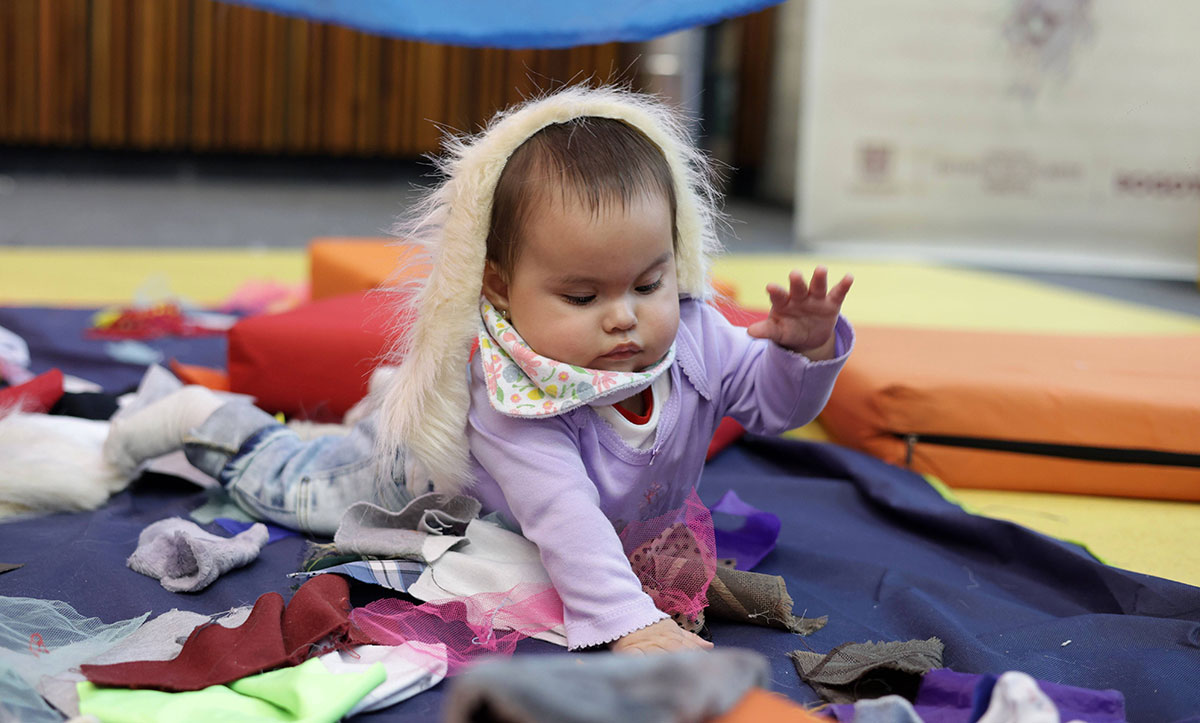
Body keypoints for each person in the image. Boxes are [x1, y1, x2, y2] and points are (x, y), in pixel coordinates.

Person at [104, 85, 854, 654]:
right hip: (411, 485)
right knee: (290, 480)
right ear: (497, 286)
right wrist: (631, 622)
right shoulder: (515, 398)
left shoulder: (694, 335)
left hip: (537, 510)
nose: (624, 316)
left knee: (337, 440)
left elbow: (772, 405)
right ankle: (204, 419)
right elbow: (563, 515)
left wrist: (804, 352)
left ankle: (373, 406)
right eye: (582, 296)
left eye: (648, 283)